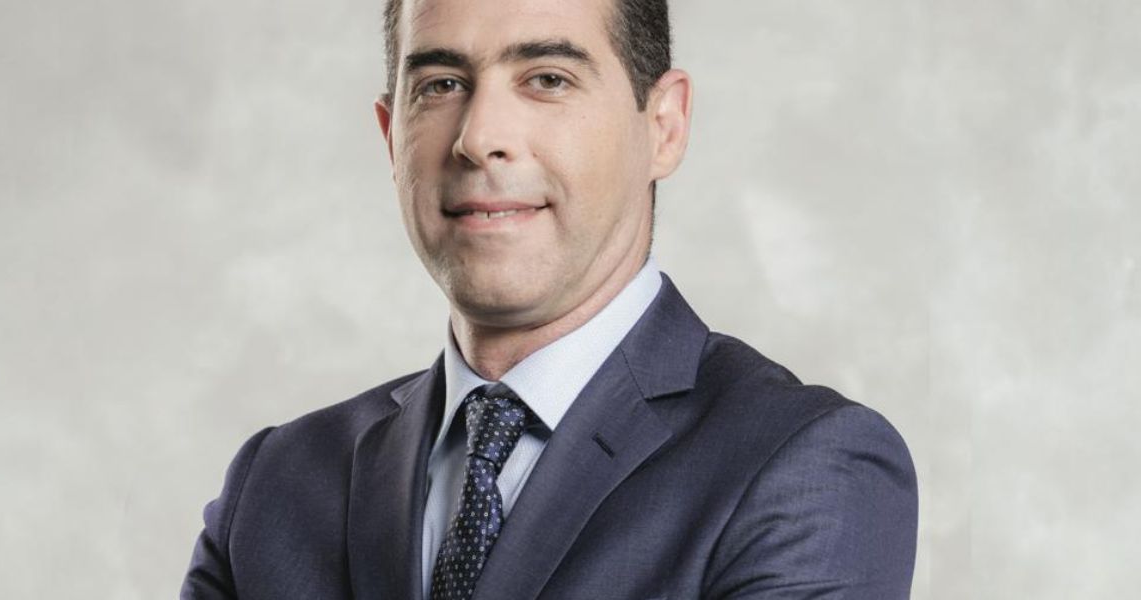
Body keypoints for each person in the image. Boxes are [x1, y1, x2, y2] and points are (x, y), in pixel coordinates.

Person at [181, 0, 918, 598]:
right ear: (390, 137)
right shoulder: (275, 484)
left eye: (547, 78)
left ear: (664, 126)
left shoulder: (804, 467)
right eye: (441, 85)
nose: (479, 138)